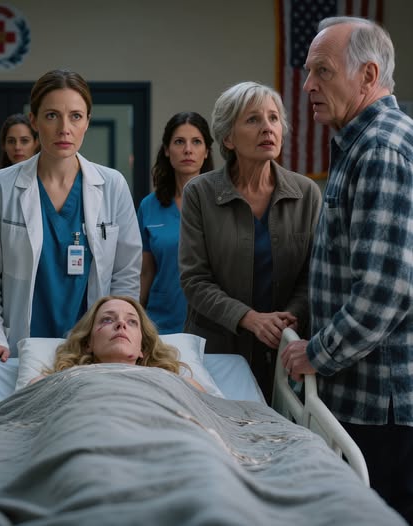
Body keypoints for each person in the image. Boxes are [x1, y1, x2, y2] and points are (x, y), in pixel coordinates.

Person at [280, 16, 413, 524]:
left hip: (381, 404)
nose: (308, 85)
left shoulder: (380, 149)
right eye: (308, 71)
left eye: (323, 71)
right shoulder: (361, 144)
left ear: (368, 75)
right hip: (364, 394)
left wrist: (316, 353)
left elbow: (384, 289)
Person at [0, 69, 142, 378]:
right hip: (23, 346)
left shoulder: (112, 185)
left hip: (92, 348)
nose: (64, 129)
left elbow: (126, 275)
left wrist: (117, 340)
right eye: (52, 116)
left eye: (75, 116)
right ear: (34, 121)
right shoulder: (1, 185)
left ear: (87, 122)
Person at [179, 81, 322, 401]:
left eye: (274, 118)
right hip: (219, 350)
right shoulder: (200, 193)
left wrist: (289, 318)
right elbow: (194, 280)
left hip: (286, 348)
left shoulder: (306, 193)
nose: (267, 128)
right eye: (253, 119)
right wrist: (250, 318)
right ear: (228, 137)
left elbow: (312, 275)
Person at [137, 112, 214, 334]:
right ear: (167, 150)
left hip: (212, 322)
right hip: (161, 323)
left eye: (196, 142)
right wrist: (135, 318)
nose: (188, 149)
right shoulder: (149, 206)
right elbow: (145, 272)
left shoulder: (222, 203)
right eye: (179, 142)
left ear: (206, 151)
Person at [33, 295, 205, 392]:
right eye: (107, 319)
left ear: (142, 348)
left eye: (132, 322)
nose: (121, 324)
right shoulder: (50, 384)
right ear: (88, 343)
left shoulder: (181, 385)